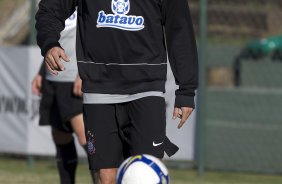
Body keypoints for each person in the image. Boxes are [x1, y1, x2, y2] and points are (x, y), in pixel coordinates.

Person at [35, 0, 198, 183]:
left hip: (147, 88)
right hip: (98, 89)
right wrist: (50, 43)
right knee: (105, 177)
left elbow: (180, 28)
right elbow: (50, 9)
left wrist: (186, 89)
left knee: (143, 174)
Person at [32, 10, 97, 184]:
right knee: (60, 137)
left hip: (74, 79)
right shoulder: (55, 6)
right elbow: (52, 38)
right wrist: (41, 72)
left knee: (87, 138)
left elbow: (99, 38)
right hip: (52, 79)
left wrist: (85, 72)